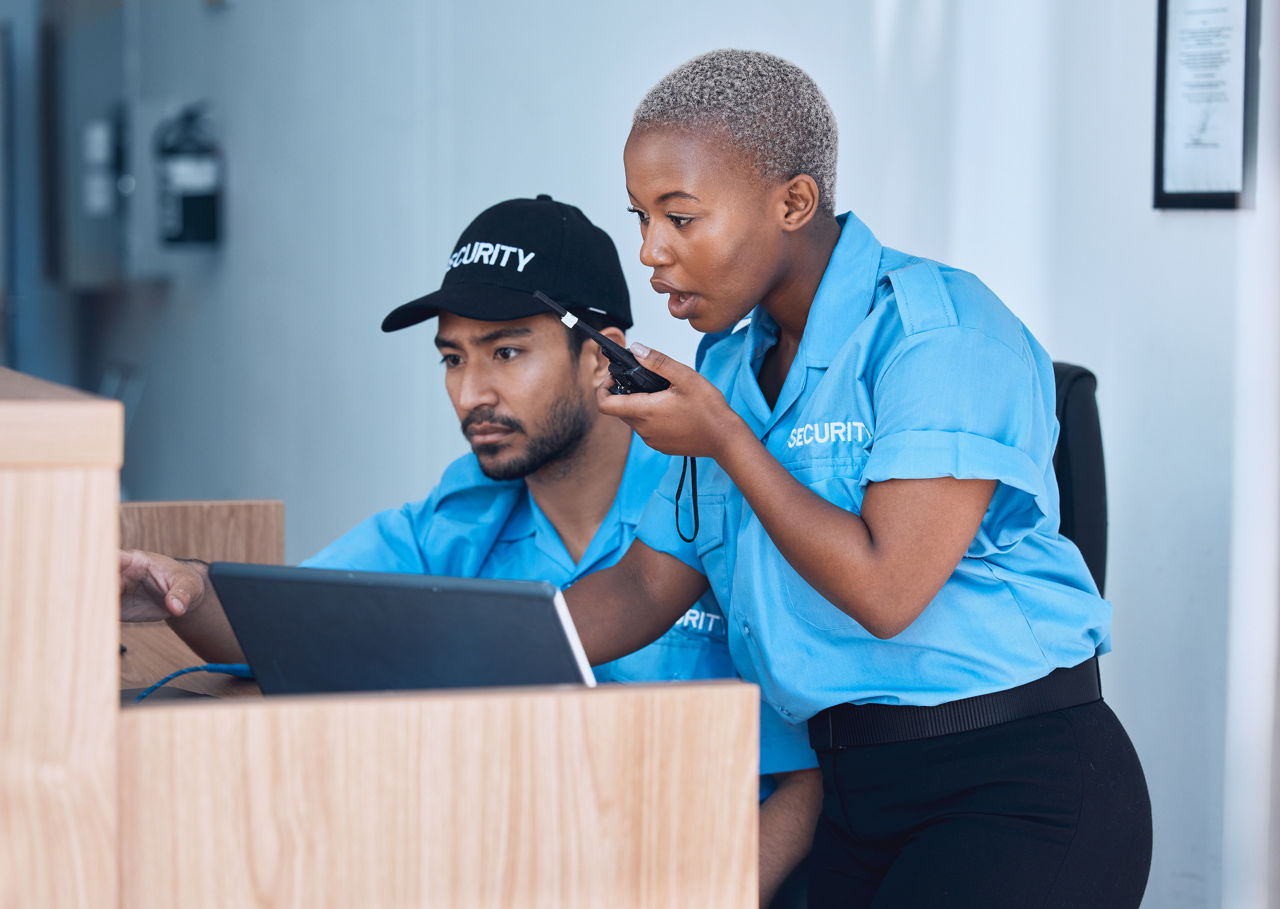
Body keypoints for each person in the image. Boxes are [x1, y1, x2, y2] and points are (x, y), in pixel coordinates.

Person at [561, 50, 1154, 908]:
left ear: (793, 202)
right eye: (641, 218)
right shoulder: (728, 365)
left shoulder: (940, 334)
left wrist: (727, 439)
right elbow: (651, 581)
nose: (651, 252)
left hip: (1013, 783)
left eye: (680, 217)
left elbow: (887, 589)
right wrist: (464, 650)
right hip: (856, 795)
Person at [118, 194, 821, 906]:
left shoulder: (708, 498)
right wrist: (185, 589)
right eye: (453, 358)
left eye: (506, 352)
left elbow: (809, 778)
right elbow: (282, 626)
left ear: (601, 359)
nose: (471, 392)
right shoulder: (456, 520)